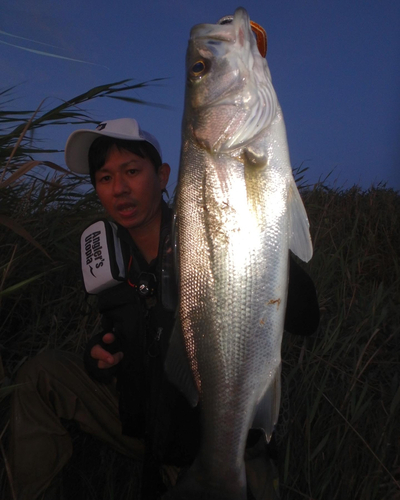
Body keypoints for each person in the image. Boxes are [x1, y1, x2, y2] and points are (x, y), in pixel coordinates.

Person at [9, 118, 320, 500]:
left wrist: (262, 253)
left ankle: (226, 468)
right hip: (145, 424)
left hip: (212, 434)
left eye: (132, 171)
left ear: (163, 176)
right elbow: (124, 331)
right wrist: (100, 355)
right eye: (104, 178)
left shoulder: (217, 233)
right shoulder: (108, 256)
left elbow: (307, 319)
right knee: (40, 376)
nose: (119, 189)